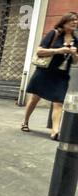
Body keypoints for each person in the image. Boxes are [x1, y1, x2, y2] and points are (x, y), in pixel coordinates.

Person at [22, 12, 78, 140]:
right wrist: (59, 51)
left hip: (61, 76)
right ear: (64, 22)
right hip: (45, 73)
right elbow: (39, 50)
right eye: (72, 20)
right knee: (35, 98)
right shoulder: (54, 34)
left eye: (76, 20)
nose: (75, 22)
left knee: (58, 102)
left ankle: (55, 130)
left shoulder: (76, 40)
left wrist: (74, 54)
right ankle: (25, 121)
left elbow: (75, 62)